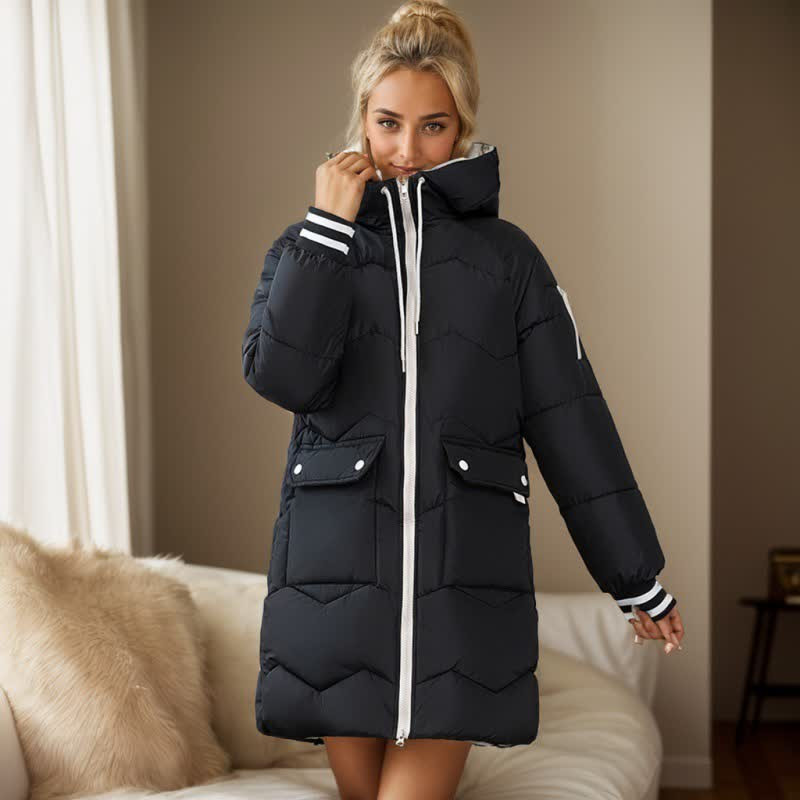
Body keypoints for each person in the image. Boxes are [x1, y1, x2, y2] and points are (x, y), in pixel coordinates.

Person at [241, 1, 685, 797]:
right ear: (362, 119)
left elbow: (570, 417)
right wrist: (327, 230)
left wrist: (635, 576)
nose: (407, 150)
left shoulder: (509, 262)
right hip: (334, 584)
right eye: (388, 123)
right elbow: (284, 379)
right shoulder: (308, 248)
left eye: (433, 127)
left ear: (463, 128)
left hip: (465, 591)